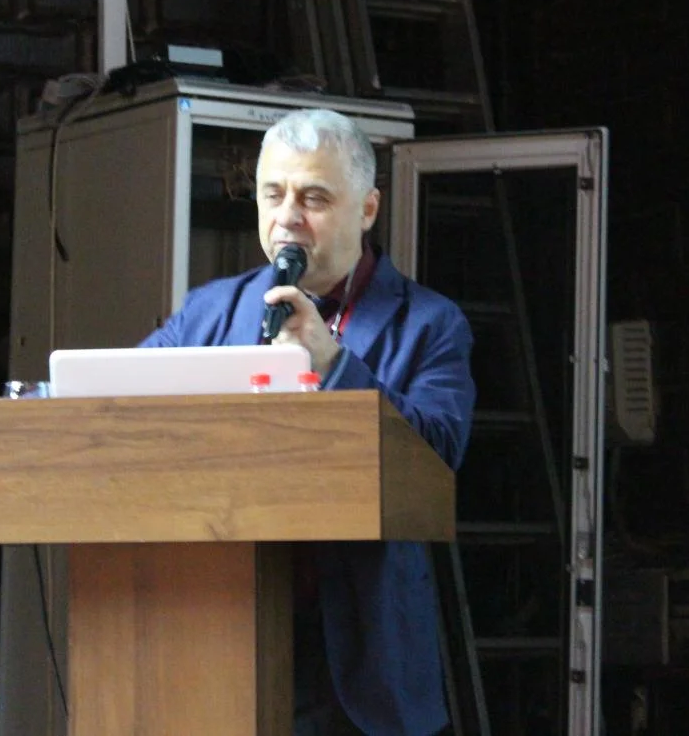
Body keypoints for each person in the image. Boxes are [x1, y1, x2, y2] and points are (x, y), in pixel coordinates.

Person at [139, 108, 476, 735]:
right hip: (216, 628)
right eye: (273, 194)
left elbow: (436, 457)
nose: (288, 217)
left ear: (367, 209)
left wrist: (334, 363)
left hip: (358, 651)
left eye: (314, 198)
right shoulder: (210, 312)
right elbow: (122, 411)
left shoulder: (430, 323)